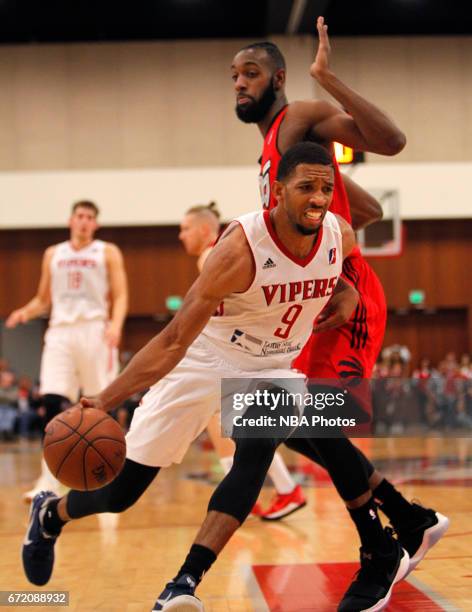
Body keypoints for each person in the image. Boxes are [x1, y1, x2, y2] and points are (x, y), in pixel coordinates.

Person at [22, 143, 366, 611]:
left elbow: (337, 269)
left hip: (271, 366)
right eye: (307, 186)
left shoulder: (338, 234)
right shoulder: (237, 251)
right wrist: (104, 399)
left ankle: (184, 583)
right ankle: (51, 514)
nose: (319, 197)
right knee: (121, 493)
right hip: (206, 359)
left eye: (327, 187)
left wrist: (349, 294)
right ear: (278, 191)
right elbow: (172, 341)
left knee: (254, 455)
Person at [228, 16, 449, 609]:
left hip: (345, 304)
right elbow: (367, 206)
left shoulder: (298, 115)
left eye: (249, 73)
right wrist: (335, 233)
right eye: (233, 77)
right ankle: (410, 517)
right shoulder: (280, 154)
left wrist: (327, 78)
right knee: (257, 418)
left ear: (277, 76)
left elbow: (394, 140)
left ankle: (381, 552)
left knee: (320, 420)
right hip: (313, 307)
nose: (239, 84)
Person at [180, 201, 306, 519]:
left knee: (226, 423)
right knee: (230, 425)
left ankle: (264, 492)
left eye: (185, 228)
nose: (181, 235)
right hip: (250, 351)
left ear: (205, 230)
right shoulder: (221, 254)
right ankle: (280, 489)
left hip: (237, 353)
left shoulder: (211, 257)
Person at [6, 200, 128, 500]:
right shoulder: (54, 253)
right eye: (80, 216)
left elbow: (121, 294)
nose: (84, 221)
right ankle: (48, 480)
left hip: (95, 329)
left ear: (95, 224)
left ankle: (108, 473)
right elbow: (43, 298)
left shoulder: (107, 251)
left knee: (101, 405)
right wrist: (25, 311)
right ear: (71, 220)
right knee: (51, 402)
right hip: (60, 331)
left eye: (90, 218)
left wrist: (116, 325)